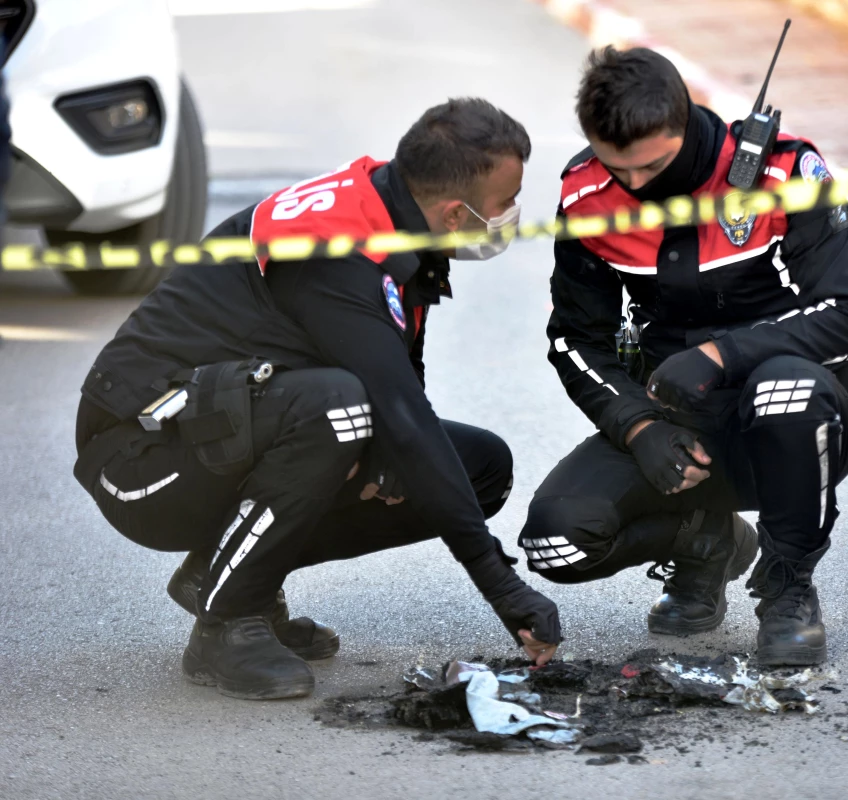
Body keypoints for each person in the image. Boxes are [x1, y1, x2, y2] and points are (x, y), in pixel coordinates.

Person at [72, 98, 561, 700]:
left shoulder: (397, 212)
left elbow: (401, 387)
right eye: (504, 203)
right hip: (138, 459)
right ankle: (227, 622)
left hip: (222, 428)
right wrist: (503, 588)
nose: (511, 214)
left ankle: (223, 572)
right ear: (454, 212)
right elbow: (401, 415)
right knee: (338, 407)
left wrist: (391, 446)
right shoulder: (335, 249)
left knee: (478, 467)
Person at [518, 48, 848, 666]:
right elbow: (574, 339)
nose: (634, 184)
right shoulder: (585, 196)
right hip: (674, 420)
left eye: (651, 165)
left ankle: (788, 586)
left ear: (683, 119)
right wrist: (639, 427)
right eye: (616, 167)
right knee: (556, 543)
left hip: (798, 419)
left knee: (784, 391)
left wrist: (720, 354)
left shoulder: (783, 172)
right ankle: (705, 543)